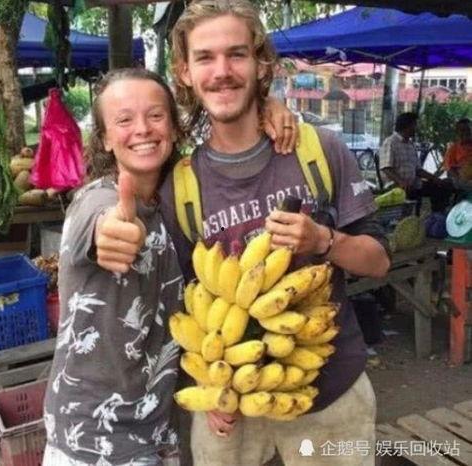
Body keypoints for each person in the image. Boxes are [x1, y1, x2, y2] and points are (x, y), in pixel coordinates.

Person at [97, 1, 390, 465]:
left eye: (236, 54)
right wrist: (204, 383)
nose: (222, 72)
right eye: (205, 58)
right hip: (228, 407)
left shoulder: (319, 150)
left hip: (330, 393)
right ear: (185, 72)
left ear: (261, 63)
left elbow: (379, 262)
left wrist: (324, 241)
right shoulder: (180, 185)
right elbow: (178, 305)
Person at [43, 65, 296, 466]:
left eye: (156, 115)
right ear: (105, 138)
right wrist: (110, 233)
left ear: (175, 128)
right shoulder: (95, 201)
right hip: (93, 438)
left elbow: (179, 322)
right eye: (124, 120)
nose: (142, 129)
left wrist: (269, 105)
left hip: (159, 429)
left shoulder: (175, 205)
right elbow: (99, 224)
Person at [379, 112, 453, 213]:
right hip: (396, 186)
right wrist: (401, 182)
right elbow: (386, 168)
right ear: (406, 126)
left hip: (413, 184)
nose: (416, 129)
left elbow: (418, 170)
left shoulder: (410, 145)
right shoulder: (390, 142)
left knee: (442, 188)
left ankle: (437, 216)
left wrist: (435, 179)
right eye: (414, 125)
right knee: (411, 192)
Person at [444, 117, 472, 182]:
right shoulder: (453, 149)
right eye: (462, 130)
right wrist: (461, 181)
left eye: (468, 129)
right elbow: (450, 169)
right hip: (464, 181)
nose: (466, 132)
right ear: (457, 132)